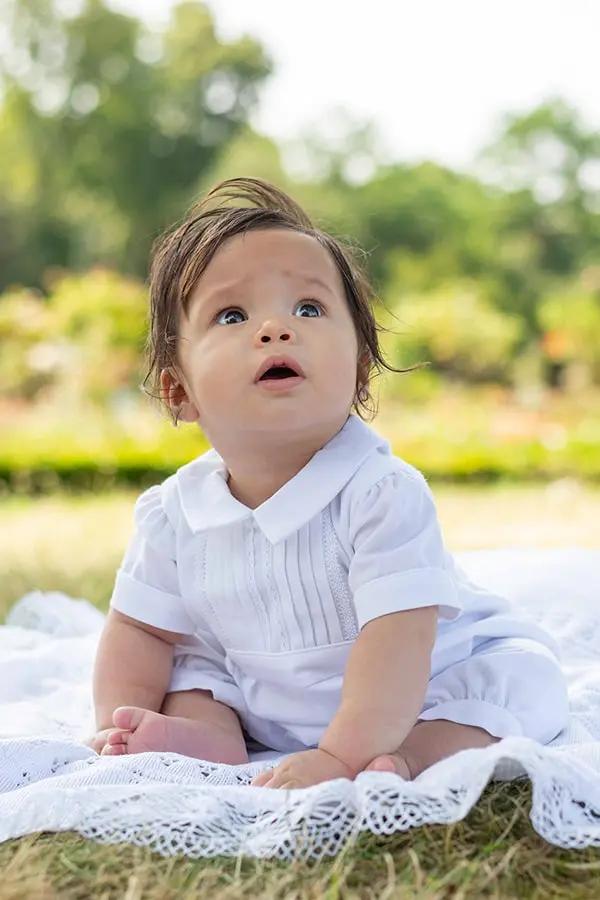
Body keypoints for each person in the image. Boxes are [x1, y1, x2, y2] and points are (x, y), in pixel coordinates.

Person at [86, 177, 569, 789]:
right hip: (264, 687)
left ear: (361, 369)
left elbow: (397, 643)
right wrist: (117, 719)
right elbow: (140, 629)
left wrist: (339, 758)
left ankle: (412, 756)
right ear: (179, 390)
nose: (275, 329)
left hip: (422, 683)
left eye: (308, 308)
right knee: (192, 668)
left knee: (517, 688)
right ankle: (207, 736)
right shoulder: (173, 513)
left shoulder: (381, 493)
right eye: (232, 314)